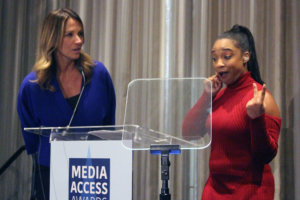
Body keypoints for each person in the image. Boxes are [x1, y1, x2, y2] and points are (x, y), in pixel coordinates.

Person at [17, 8, 116, 200]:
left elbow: (109, 126)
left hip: (94, 173)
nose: (79, 40)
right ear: (52, 39)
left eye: (80, 33)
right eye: (69, 35)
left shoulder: (99, 75)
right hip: (50, 176)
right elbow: (31, 139)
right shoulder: (33, 86)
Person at [182, 25, 281, 199]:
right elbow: (189, 134)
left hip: (250, 192)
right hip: (214, 190)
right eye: (214, 58)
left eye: (227, 56)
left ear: (245, 56)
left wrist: (256, 118)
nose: (219, 64)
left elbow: (265, 155)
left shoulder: (261, 98)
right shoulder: (218, 95)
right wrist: (207, 96)